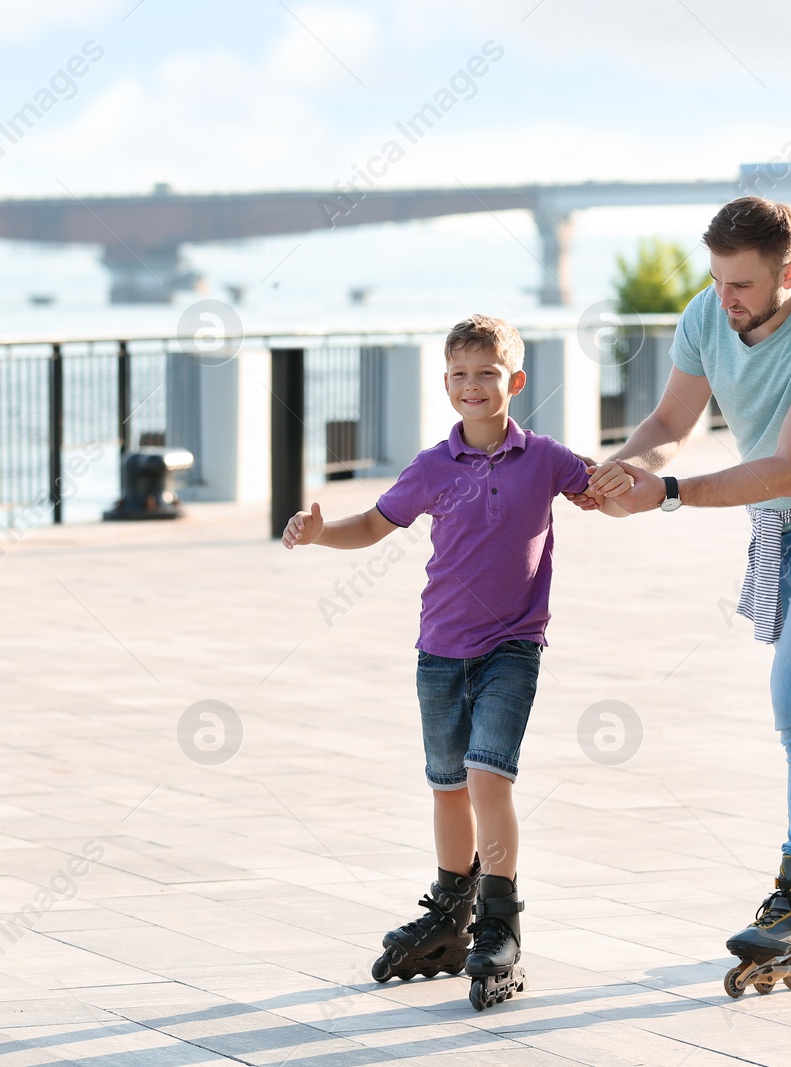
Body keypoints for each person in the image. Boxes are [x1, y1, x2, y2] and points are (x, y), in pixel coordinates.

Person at [579, 196, 791, 997]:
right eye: (719, 281)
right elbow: (670, 417)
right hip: (781, 523)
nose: (726, 301)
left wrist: (667, 494)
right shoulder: (705, 313)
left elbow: (789, 467)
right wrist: (622, 467)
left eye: (744, 286)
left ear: (787, 274)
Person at [282, 313, 595, 1011]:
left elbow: (599, 488)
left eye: (487, 373)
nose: (473, 385)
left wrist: (647, 481)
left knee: (488, 776)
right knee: (448, 785)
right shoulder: (431, 465)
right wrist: (319, 532)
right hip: (439, 651)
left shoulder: (544, 457)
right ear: (446, 384)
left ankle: (500, 922)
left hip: (513, 646)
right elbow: (373, 523)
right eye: (460, 374)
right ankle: (451, 910)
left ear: (515, 380)